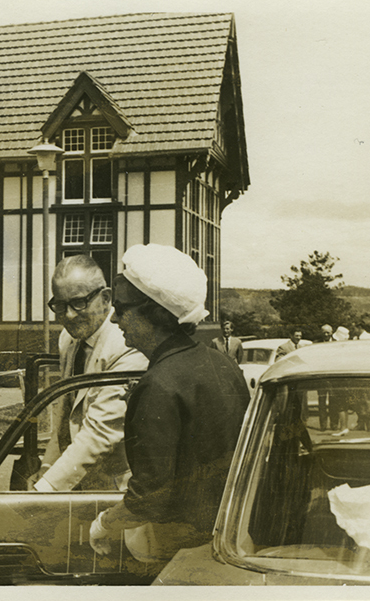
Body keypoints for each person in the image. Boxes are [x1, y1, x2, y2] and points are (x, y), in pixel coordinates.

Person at [88, 243, 249, 573]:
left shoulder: (159, 383)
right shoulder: (222, 363)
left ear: (157, 313)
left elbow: (149, 497)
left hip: (178, 552)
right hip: (229, 539)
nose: (114, 317)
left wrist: (103, 523)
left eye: (122, 308)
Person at [30, 255, 148, 492]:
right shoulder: (68, 338)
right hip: (77, 482)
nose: (69, 315)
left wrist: (43, 491)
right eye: (60, 306)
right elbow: (65, 411)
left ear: (105, 298)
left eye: (79, 303)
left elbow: (100, 431)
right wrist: (47, 467)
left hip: (117, 488)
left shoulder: (127, 345)